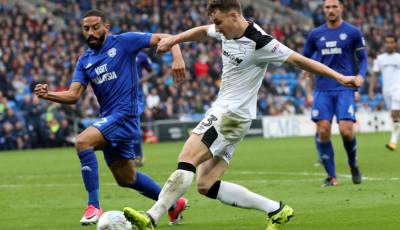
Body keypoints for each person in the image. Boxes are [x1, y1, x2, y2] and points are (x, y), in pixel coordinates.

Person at [122, 1, 362, 229]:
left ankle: (151, 217)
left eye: (219, 22)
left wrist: (341, 78)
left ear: (234, 15)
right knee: (206, 185)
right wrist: (175, 40)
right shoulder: (225, 29)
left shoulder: (260, 42)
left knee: (187, 157)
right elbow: (202, 32)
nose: (217, 29)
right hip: (238, 118)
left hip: (230, 114)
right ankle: (276, 210)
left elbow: (301, 61)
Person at [34, 9, 187, 225]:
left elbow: (166, 37)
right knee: (127, 178)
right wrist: (47, 94)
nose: (91, 32)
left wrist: (177, 57)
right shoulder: (84, 60)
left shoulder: (124, 42)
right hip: (110, 118)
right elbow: (73, 95)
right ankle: (173, 204)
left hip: (126, 116)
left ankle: (93, 206)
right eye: (86, 28)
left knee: (82, 141)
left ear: (106, 27)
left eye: (96, 27)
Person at [302, 0, 367, 187]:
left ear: (341, 8)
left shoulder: (353, 32)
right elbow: (305, 56)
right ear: (324, 10)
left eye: (334, 7)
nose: (331, 10)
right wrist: (305, 68)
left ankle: (352, 163)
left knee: (346, 132)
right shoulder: (315, 34)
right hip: (322, 88)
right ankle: (331, 177)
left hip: (344, 87)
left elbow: (362, 59)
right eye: (327, 7)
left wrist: (360, 76)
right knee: (323, 131)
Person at [369, 34, 400, 151]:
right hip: (386, 91)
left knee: (394, 114)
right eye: (387, 42)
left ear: (396, 43)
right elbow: (375, 75)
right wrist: (371, 89)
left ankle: (392, 142)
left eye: (392, 42)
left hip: (399, 88)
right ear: (385, 43)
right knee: (396, 117)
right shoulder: (380, 58)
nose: (389, 44)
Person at [134, 50, 154, 167]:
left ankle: (138, 156)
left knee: (134, 123)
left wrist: (142, 80)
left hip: (137, 94)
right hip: (120, 93)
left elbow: (152, 72)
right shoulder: (120, 52)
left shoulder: (142, 56)